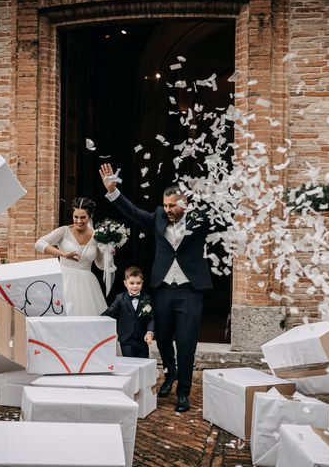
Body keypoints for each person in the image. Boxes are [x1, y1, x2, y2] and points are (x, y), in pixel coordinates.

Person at [99, 163, 212, 412]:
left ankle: (183, 391)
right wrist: (113, 192)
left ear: (185, 203)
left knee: (186, 342)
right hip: (162, 288)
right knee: (161, 338)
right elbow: (136, 214)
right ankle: (170, 372)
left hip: (190, 290)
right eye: (166, 205)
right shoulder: (160, 215)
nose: (168, 209)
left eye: (173, 205)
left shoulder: (200, 219)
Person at [34, 197, 107, 316]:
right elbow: (39, 244)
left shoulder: (97, 236)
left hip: (87, 285)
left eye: (83, 217)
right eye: (76, 217)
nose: (79, 221)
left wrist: (107, 252)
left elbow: (101, 265)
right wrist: (62, 254)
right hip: (64, 280)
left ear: (90, 216)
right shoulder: (64, 231)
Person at [101, 266, 155, 358]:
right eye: (132, 283)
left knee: (143, 364)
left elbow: (150, 318)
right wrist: (98, 320)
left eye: (138, 283)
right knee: (131, 364)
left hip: (142, 339)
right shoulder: (120, 298)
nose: (135, 286)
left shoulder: (146, 298)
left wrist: (149, 332)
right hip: (126, 339)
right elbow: (109, 313)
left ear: (142, 283)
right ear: (125, 283)